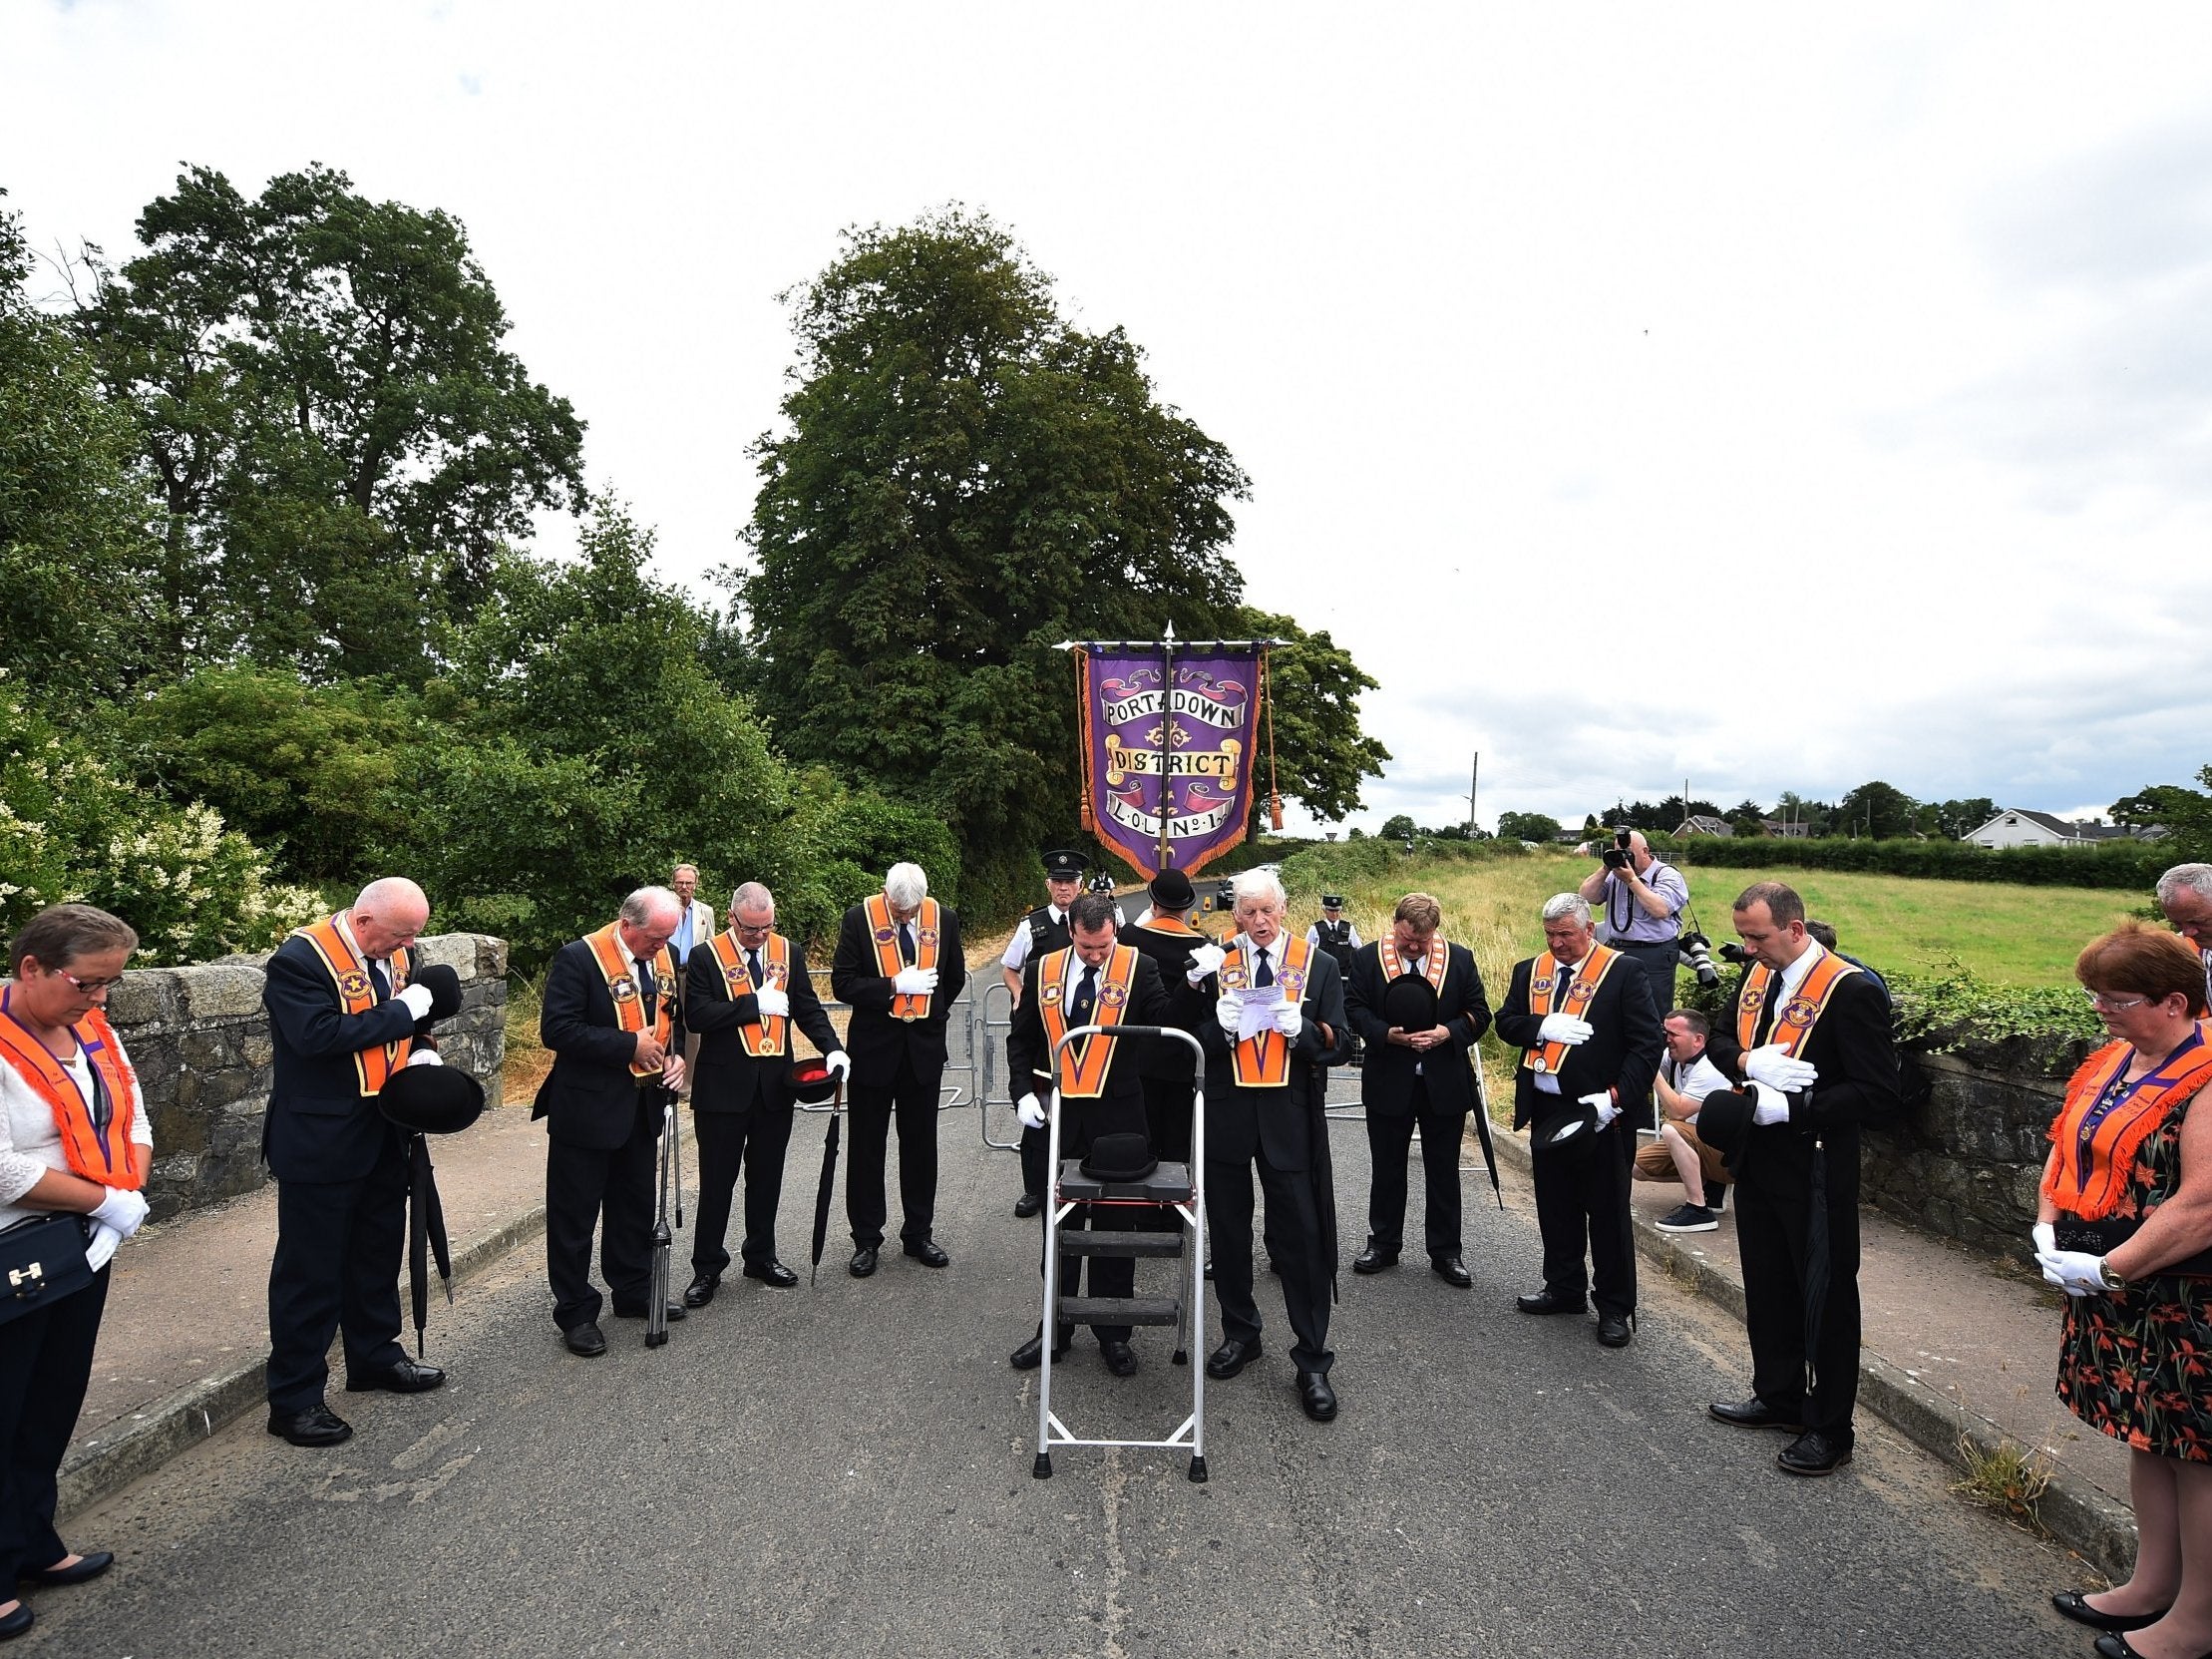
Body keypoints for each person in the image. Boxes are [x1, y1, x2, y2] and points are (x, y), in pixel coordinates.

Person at [2034, 923, 2212, 1656]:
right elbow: (2065, 1144)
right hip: (2123, 1288)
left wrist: (2111, 1268)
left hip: (2188, 1295)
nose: (2102, 1009)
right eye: (2095, 996)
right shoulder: (2114, 1057)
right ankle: (2152, 1584)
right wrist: (2048, 1227)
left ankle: (2198, 1620)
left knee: (2198, 1455)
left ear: (2175, 1002)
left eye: (2118, 997)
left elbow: (2201, 1202)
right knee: (2148, 1436)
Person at [1704, 879, 1899, 1476]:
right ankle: (1780, 1395)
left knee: (1825, 1293)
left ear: (1795, 928)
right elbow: (1715, 1039)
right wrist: (1744, 1062)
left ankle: (1830, 1427)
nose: (1748, 948)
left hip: (1815, 1161)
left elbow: (1876, 1093)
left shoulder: (1852, 989)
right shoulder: (1759, 976)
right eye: (1742, 936)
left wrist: (1796, 1107)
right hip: (1759, 1156)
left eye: (1757, 936)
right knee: (1767, 1281)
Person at [0, 905, 150, 1640]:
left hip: (81, 1244)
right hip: (15, 1246)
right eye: (87, 983)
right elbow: (2, 1168)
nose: (98, 1001)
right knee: (3, 1406)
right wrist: (108, 1199)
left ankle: (33, 1542)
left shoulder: (90, 1024)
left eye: (108, 987)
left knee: (52, 1398)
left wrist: (126, 1193)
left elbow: (132, 1116)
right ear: (31, 966)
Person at [262, 877, 446, 1447]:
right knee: (311, 1272)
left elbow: (407, 1023)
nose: (405, 949)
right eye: (398, 937)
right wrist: (405, 1010)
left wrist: (421, 1048)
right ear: (364, 921)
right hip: (321, 1138)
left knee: (375, 1254)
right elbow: (318, 1036)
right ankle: (294, 1400)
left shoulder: (391, 952)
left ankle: (373, 1357)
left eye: (412, 938)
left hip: (384, 1130)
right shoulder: (298, 961)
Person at [1191, 868, 1347, 1423]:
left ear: (1283, 910)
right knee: (1229, 1236)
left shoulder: (1319, 963)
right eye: (1248, 913)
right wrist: (1222, 1027)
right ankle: (1241, 1332)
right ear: (1235, 913)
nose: (1258, 922)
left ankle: (1312, 1359)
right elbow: (1195, 1049)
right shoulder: (1216, 964)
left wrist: (1300, 1029)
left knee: (1303, 1239)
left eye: (1267, 912)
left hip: (1290, 1119)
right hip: (1230, 1118)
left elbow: (1342, 1044)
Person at [1003, 892, 1174, 1374]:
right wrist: (1020, 1094)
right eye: (1086, 948)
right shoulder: (1042, 969)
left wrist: (1196, 987)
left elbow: (1164, 1024)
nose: (1096, 956)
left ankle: (1114, 1333)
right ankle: (1053, 1329)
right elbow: (1021, 1041)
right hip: (1053, 1119)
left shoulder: (1138, 967)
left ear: (1113, 931)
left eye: (1103, 947)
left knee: (1115, 1231)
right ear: (1072, 933)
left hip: (1117, 1125)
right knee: (1057, 1232)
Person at [1496, 894, 1661, 1347]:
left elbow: (1647, 1045)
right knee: (1555, 1204)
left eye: (1566, 934)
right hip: (1547, 1107)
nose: (1557, 943)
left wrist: (1615, 1099)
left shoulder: (1623, 971)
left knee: (1606, 1212)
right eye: (1550, 934)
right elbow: (1505, 1023)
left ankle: (1614, 1307)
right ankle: (1564, 1287)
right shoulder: (1530, 970)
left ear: (1589, 930)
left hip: (1600, 1113)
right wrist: (1540, 1026)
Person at [534, 887, 688, 1357]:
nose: (662, 947)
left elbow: (670, 1019)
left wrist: (675, 1058)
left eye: (666, 939)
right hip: (586, 1109)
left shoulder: (665, 956)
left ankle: (633, 1289)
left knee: (634, 1207)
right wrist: (627, 1046)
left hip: (642, 1105)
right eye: (655, 939)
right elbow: (556, 1030)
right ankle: (577, 1312)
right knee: (575, 1218)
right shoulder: (578, 959)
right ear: (628, 925)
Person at [681, 883, 848, 1306]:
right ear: (732, 918)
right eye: (751, 929)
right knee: (718, 1181)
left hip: (774, 1086)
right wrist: (752, 1004)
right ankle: (707, 1267)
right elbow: (697, 1015)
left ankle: (760, 1255)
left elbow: (807, 1007)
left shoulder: (787, 952)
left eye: (766, 927)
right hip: (722, 1089)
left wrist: (832, 1049)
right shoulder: (706, 956)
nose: (759, 936)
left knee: (767, 1178)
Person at [1343, 892, 1491, 1286]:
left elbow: (1480, 1013)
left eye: (1420, 943)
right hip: (1389, 1075)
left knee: (1444, 1170)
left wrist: (1449, 1031)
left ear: (1435, 933)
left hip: (1443, 1079)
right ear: (1395, 924)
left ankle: (1446, 1253)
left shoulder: (1460, 959)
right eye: (1406, 938)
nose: (1411, 947)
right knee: (1387, 1166)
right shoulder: (1366, 958)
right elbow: (1354, 1008)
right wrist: (1384, 1035)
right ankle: (1384, 1244)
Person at [831, 862, 966, 1277]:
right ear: (886, 895)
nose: (905, 917)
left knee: (920, 1146)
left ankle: (919, 1233)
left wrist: (929, 1010)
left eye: (911, 911)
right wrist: (892, 986)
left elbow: (955, 978)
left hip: (922, 1051)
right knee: (867, 1147)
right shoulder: (859, 919)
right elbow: (842, 983)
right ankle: (867, 1239)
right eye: (898, 910)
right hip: (874, 1050)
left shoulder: (943, 919)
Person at [1577, 829, 1688, 1116]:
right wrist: (1606, 867)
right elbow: (1585, 897)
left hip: (1653, 954)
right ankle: (1617, 1088)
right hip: (1616, 951)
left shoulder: (1666, 875)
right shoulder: (1613, 874)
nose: (1623, 859)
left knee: (1650, 1023)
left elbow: (1661, 909)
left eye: (1628, 854)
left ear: (1646, 851)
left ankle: (1646, 1096)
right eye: (1618, 853)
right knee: (1613, 1019)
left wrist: (1633, 881)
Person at [1001, 850, 1087, 1218]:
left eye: (1070, 882)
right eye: (1058, 882)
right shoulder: (1032, 925)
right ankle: (1035, 1190)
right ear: (1049, 885)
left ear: (1080, 886)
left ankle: (1084, 1181)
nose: (1064, 888)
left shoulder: (1098, 917)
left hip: (1085, 1027)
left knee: (1086, 1105)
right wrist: (1021, 998)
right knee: (1039, 1110)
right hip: (1041, 1032)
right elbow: (1009, 968)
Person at [1119, 867, 1215, 1165]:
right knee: (1176, 1146)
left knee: (1140, 1142)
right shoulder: (1202, 946)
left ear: (1153, 903)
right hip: (1182, 1055)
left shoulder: (1130, 937)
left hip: (1135, 1052)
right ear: (1188, 906)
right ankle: (1173, 1209)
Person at [1632, 1009, 1734, 1233]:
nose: (1667, 1040)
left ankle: (1698, 1209)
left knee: (1671, 1128)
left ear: (1698, 1040)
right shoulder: (1677, 1058)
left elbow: (1678, 1112)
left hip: (1729, 1156)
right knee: (1636, 1167)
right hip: (1698, 1141)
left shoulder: (1711, 1068)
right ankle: (1710, 1184)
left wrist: (1653, 1072)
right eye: (1664, 1032)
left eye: (1673, 1034)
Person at [1306, 895, 1364, 1064]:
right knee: (1323, 1015)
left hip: (1345, 980)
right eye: (1331, 911)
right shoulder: (1316, 929)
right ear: (1325, 910)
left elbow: (1359, 949)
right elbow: (1307, 952)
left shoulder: (1348, 928)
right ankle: (1322, 1051)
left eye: (1337, 911)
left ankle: (1354, 1056)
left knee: (1348, 1016)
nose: (1334, 914)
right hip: (1323, 982)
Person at [2156, 863, 2212, 1009]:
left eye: (2197, 922)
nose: (2188, 933)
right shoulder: (2178, 949)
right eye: (2177, 924)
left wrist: (2188, 1029)